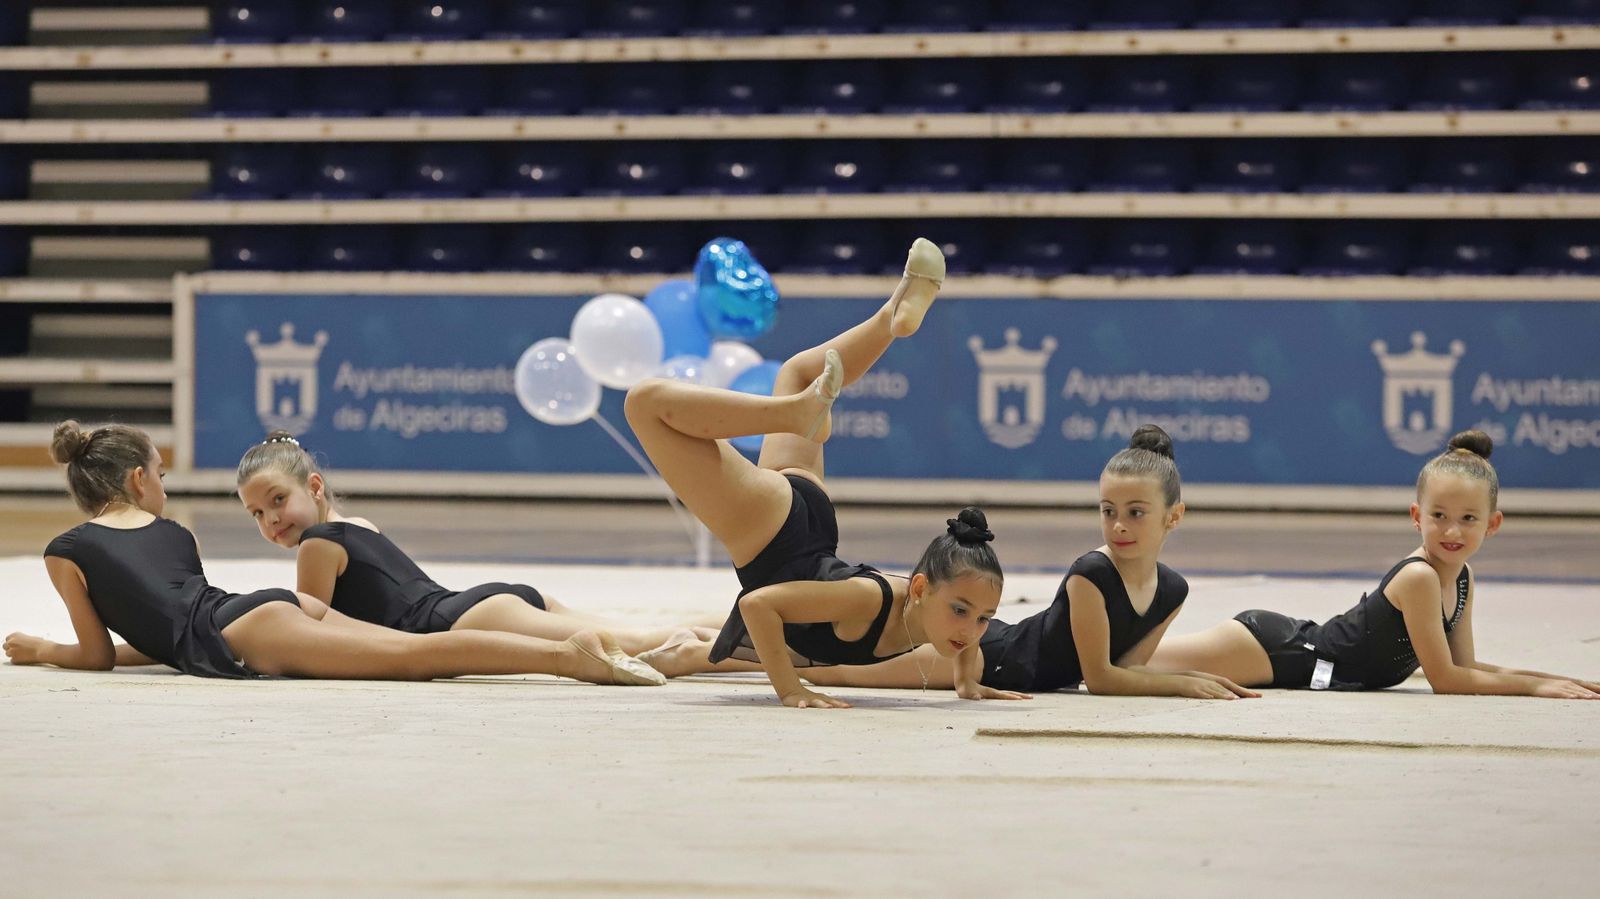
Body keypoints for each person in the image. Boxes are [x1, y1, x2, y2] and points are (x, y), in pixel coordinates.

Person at [624, 238, 1028, 708]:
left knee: (797, 372)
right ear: (919, 588)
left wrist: (967, 682)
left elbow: (965, 616)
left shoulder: (938, 613)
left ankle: (891, 317)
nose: (971, 629)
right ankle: (791, 414)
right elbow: (758, 605)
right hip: (773, 535)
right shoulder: (867, 601)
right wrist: (791, 691)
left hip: (807, 523)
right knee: (645, 403)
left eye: (982, 619)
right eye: (963, 613)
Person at [3, 421, 664, 686]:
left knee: (418, 657)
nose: (165, 489)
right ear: (139, 480)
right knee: (414, 648)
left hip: (250, 630)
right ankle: (580, 650)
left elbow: (98, 654)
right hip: (266, 611)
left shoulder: (68, 550)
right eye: (162, 476)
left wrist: (41, 648)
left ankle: (570, 659)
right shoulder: (176, 535)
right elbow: (166, 628)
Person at [800, 426, 1257, 700]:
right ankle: (729, 652)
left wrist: (1192, 676)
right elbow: (1099, 680)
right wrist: (1179, 685)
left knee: (826, 657)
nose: (1119, 525)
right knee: (830, 666)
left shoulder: (1173, 589)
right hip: (990, 656)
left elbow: (1127, 671)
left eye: (1135, 512)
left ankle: (741, 634)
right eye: (1107, 510)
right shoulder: (1092, 574)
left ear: (1173, 516)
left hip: (993, 650)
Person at [1149, 430, 1600, 699]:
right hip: (1276, 650)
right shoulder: (1421, 577)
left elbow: (1470, 667)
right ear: (1416, 516)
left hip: (1295, 650)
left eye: (1468, 520)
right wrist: (1535, 690)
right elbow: (1446, 680)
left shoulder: (1462, 577)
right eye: (1438, 517)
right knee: (1122, 667)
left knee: (1127, 664)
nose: (1451, 532)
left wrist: (1564, 681)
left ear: (1493, 523)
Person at [235, 431, 716, 654]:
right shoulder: (357, 523)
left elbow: (315, 640)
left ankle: (764, 644)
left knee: (640, 645)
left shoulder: (318, 544)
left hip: (463, 618)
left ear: (314, 487)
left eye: (278, 500)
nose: (271, 519)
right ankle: (748, 624)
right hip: (484, 604)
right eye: (257, 513)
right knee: (647, 632)